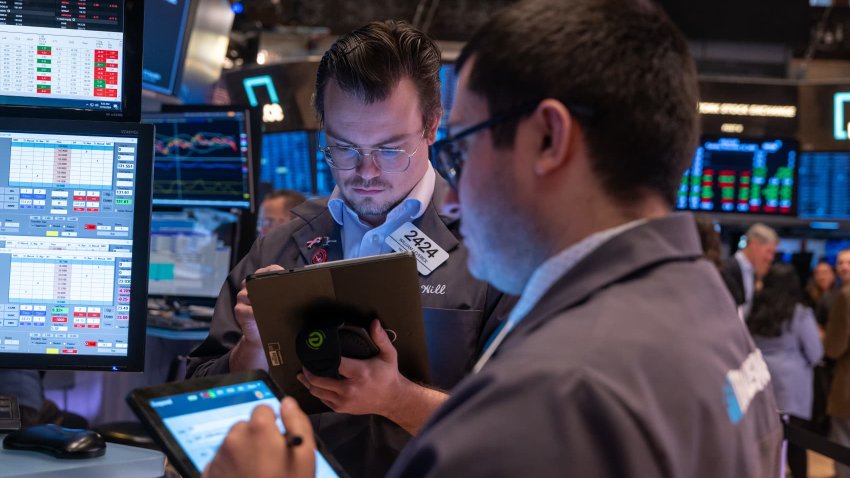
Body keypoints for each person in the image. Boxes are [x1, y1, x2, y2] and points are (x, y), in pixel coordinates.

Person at [204, 1, 783, 477]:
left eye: (462, 144)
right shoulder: (705, 309)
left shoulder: (566, 386)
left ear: (549, 139)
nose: (453, 197)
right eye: (344, 148)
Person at [188, 20, 509, 478]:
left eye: (390, 149)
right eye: (343, 148)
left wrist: (400, 399)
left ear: (432, 127)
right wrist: (252, 348)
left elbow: (521, 429)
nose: (366, 171)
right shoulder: (282, 243)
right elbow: (197, 398)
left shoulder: (493, 248)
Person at [747, 263, 823, 478]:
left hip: (761, 380)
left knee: (765, 442)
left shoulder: (755, 309)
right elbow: (815, 352)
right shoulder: (799, 313)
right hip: (792, 386)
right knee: (797, 445)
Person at [824, 248, 850, 478]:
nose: (844, 267)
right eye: (840, 262)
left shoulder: (845, 296)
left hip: (847, 383)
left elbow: (834, 347)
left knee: (842, 445)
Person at [721, 223, 779, 320]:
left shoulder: (756, 272)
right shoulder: (727, 269)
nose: (771, 258)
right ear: (754, 245)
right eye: (769, 252)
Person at [806, 260, 839, 327]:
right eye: (817, 273)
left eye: (825, 272)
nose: (821, 277)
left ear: (833, 275)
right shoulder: (808, 297)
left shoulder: (840, 295)